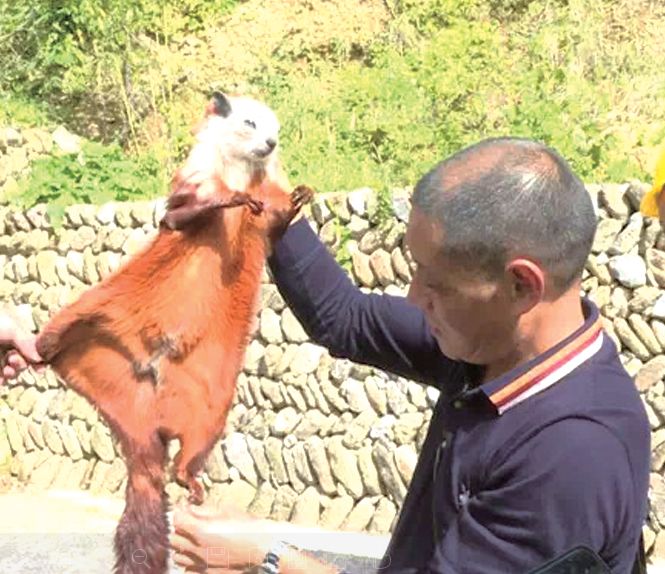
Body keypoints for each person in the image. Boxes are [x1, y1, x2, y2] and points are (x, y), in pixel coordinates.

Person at [1, 137, 651, 574]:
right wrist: (273, 213)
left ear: (520, 284)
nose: (411, 294)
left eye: (433, 279)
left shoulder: (569, 454)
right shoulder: (489, 347)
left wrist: (268, 556)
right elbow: (345, 320)